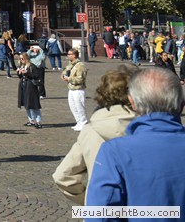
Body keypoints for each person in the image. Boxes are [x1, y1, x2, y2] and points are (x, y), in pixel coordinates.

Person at [86, 68, 185, 211]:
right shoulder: (116, 151)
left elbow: (101, 213)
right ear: (181, 105)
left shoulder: (115, 152)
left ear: (132, 103)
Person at [52, 65, 137, 205]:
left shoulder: (90, 130)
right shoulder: (154, 127)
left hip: (103, 208)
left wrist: (89, 200)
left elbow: (63, 176)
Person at [62, 48, 88, 130]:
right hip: (71, 88)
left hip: (78, 89)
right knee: (73, 106)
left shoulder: (80, 65)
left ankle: (83, 122)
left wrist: (69, 79)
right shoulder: (70, 64)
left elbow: (80, 79)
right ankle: (78, 121)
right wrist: (63, 75)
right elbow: (66, 71)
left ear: (74, 55)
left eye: (69, 54)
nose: (68, 56)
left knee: (79, 106)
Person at [16, 52, 44, 128]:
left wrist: (27, 73)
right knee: (26, 103)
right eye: (20, 59)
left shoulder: (32, 66)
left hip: (31, 86)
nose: (21, 60)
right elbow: (20, 77)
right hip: (23, 86)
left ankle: (38, 121)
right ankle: (31, 120)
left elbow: (36, 76)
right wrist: (19, 73)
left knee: (34, 104)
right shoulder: (22, 66)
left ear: (26, 58)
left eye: (22, 58)